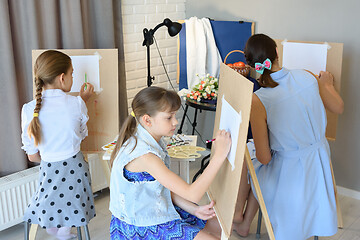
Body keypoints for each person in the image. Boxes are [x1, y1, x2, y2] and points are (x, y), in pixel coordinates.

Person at [232, 34, 344, 240]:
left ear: (251, 65)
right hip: (319, 164)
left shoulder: (259, 100)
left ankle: (239, 216)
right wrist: (327, 85)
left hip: (290, 175)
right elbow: (339, 107)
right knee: (257, 157)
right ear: (276, 53)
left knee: (248, 154)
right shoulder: (307, 76)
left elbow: (265, 158)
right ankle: (245, 222)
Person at [109, 86, 231, 240]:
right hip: (140, 226)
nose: (175, 121)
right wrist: (219, 155)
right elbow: (192, 194)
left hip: (153, 209)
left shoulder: (145, 139)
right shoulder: (146, 156)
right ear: (147, 120)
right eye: (169, 117)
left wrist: (194, 210)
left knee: (218, 225)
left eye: (175, 115)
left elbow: (161, 188)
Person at [21, 50, 96, 240]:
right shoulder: (77, 103)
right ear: (62, 78)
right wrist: (83, 100)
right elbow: (82, 135)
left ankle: (56, 227)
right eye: (72, 74)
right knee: (74, 203)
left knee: (53, 200)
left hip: (48, 169)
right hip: (75, 167)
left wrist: (50, 158)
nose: (73, 77)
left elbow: (32, 156)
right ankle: (64, 231)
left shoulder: (29, 109)